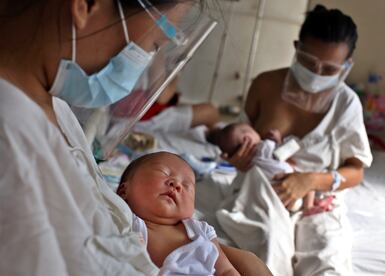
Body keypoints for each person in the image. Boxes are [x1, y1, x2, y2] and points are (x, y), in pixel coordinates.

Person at [0, 1, 272, 275]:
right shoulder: (11, 136)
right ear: (86, 6)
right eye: (154, 44)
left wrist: (233, 258)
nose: (146, 60)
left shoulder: (53, 107)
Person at [224, 5, 373, 275]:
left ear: (346, 66)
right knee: (264, 249)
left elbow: (356, 172)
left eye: (329, 69)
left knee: (326, 262)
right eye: (308, 62)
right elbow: (242, 139)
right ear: (296, 47)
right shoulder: (265, 85)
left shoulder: (346, 104)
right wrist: (238, 156)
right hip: (264, 190)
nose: (316, 73)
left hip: (317, 200)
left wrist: (311, 181)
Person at [116, 152, 240, 275]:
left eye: (187, 186)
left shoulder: (201, 230)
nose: (177, 184)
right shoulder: (125, 221)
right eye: (163, 172)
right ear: (124, 191)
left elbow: (226, 271)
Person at [208, 122, 316, 212]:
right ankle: (309, 207)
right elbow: (282, 152)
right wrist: (277, 140)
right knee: (308, 183)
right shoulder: (265, 146)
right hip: (289, 181)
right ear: (248, 138)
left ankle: (303, 207)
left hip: (273, 195)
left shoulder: (247, 165)